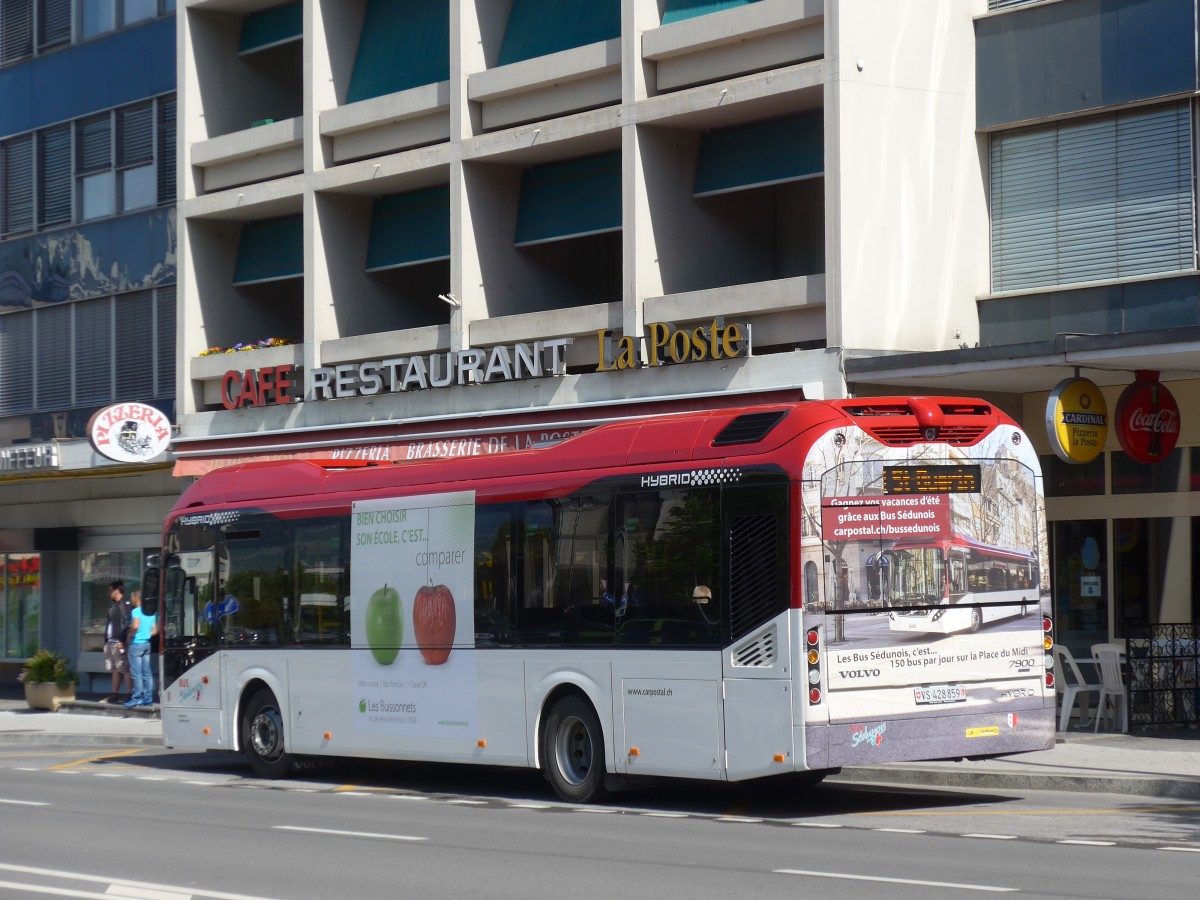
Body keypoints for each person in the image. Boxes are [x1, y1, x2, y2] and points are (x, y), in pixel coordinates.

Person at [125, 589, 157, 708]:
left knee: (136, 673)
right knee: (147, 673)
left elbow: (135, 626)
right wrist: (145, 634)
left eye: (132, 598)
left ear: (136, 598)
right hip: (146, 644)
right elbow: (154, 631)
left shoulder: (136, 611)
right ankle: (148, 698)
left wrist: (129, 637)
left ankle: (137, 698)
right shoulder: (151, 613)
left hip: (136, 644)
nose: (131, 600)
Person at [102, 580, 132, 704]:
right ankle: (114, 694)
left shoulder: (123, 605)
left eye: (110, 590)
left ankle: (130, 694)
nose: (109, 593)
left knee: (124, 668)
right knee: (115, 669)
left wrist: (122, 639)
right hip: (110, 641)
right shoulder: (112, 606)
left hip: (118, 642)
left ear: (116, 590)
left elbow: (126, 622)